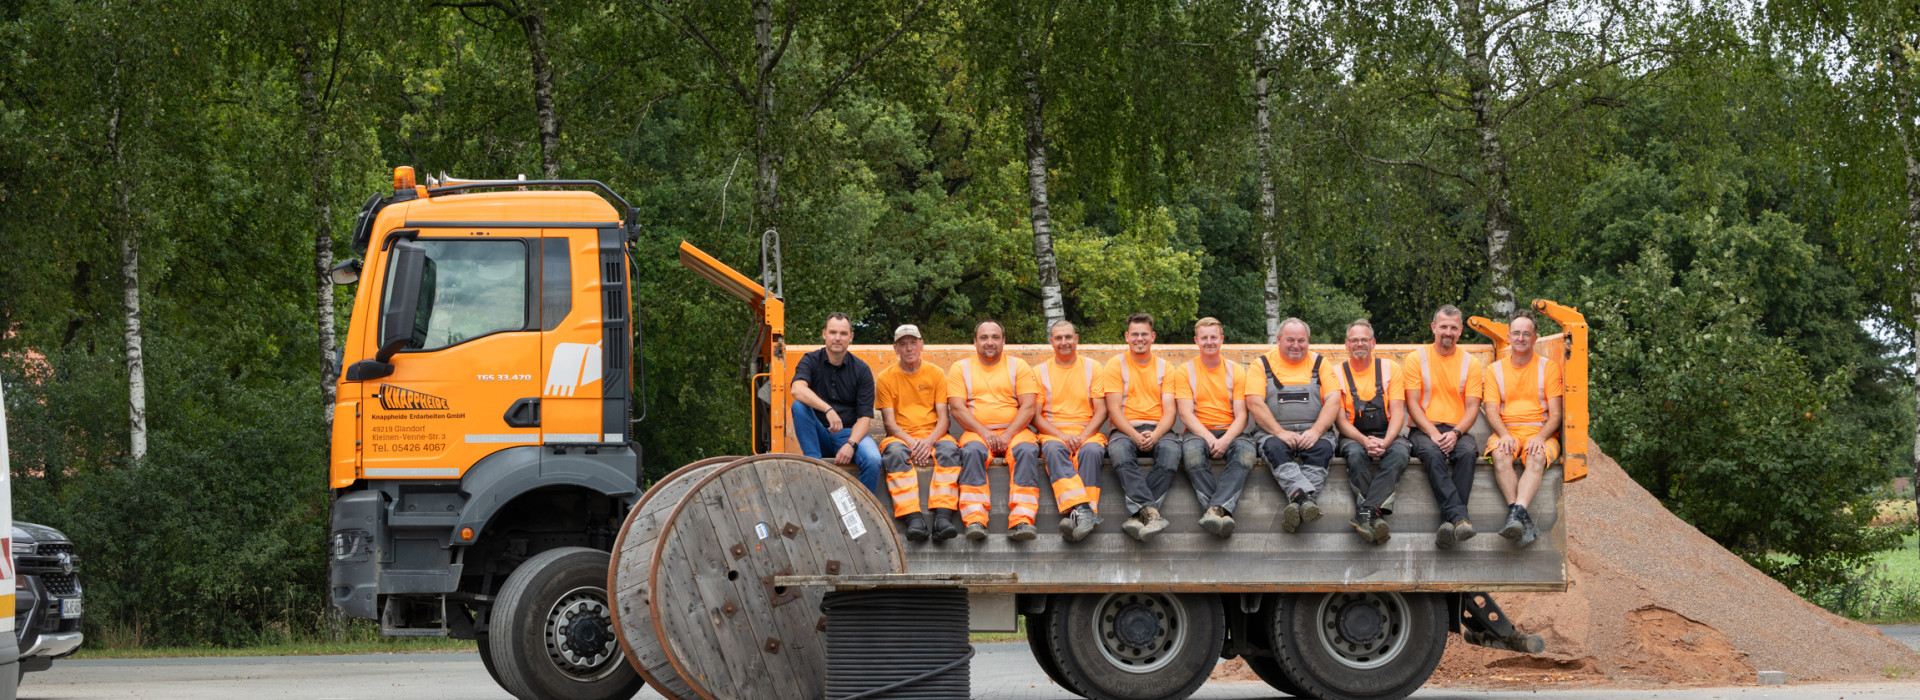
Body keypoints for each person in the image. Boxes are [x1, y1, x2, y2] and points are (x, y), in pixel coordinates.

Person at [946, 320, 1045, 541]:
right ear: (974, 342)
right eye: (984, 337)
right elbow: (957, 409)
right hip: (976, 431)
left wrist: (1008, 434)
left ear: (1003, 341)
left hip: (1016, 430)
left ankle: (1022, 520)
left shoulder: (1018, 366)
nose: (989, 342)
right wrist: (985, 433)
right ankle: (975, 520)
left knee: (1027, 450)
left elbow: (1028, 406)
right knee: (971, 452)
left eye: (995, 337)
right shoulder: (960, 368)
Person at [1167, 318, 1259, 538]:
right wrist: (1209, 439)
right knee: (1191, 454)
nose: (1209, 342)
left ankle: (1213, 510)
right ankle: (1220, 511)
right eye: (1204, 338)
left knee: (1246, 453)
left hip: (1231, 431)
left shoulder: (1236, 371)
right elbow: (1186, 414)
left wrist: (1225, 439)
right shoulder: (1184, 371)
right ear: (1196, 341)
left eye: (1213, 337)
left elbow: (1242, 415)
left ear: (1222, 339)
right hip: (1198, 431)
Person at [1404, 305, 1487, 549]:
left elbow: (1472, 407)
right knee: (1431, 453)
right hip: (1424, 428)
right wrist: (1434, 433)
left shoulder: (1470, 363)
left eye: (1453, 327)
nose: (1447, 332)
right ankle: (1460, 517)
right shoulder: (1415, 358)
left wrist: (1455, 433)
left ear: (1460, 331)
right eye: (1443, 327)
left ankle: (1448, 524)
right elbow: (1412, 404)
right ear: (1434, 328)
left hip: (1457, 429)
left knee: (1467, 453)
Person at [1247, 318, 1340, 534]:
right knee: (1274, 449)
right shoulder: (1260, 365)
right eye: (1290, 340)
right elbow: (1254, 402)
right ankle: (1306, 500)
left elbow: (1334, 400)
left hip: (1314, 431)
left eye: (1301, 340)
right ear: (1278, 340)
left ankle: (1297, 503)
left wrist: (1316, 431)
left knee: (1324, 450)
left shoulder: (1321, 364)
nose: (1296, 346)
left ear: (1308, 341)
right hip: (1274, 432)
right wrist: (1279, 432)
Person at [875, 324, 965, 542]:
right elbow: (890, 423)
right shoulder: (886, 378)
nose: (909, 348)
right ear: (895, 348)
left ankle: (943, 518)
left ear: (921, 344)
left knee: (950, 450)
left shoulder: (935, 374)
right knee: (895, 453)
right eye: (903, 344)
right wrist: (913, 442)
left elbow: (944, 419)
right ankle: (913, 519)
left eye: (913, 343)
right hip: (900, 437)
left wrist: (928, 441)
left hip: (934, 434)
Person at [1482, 312, 1564, 548]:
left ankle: (1515, 514)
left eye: (1526, 333)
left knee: (1536, 458)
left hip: (1541, 431)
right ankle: (1520, 517)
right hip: (1507, 431)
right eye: (1516, 333)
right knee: (1499, 455)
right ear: (1508, 337)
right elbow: (1491, 411)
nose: (1521, 338)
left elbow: (1556, 415)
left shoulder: (1548, 368)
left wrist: (1540, 436)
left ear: (1535, 338)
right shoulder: (1495, 370)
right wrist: (1505, 435)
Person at [1100, 313, 1183, 542]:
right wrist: (1135, 435)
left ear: (1152, 336)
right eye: (1134, 334)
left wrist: (1155, 434)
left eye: (1144, 334)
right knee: (1119, 452)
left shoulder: (1166, 367)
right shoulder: (1115, 365)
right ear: (1127, 337)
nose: (1139, 338)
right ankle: (1152, 512)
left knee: (1172, 452)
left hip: (1159, 428)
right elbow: (1114, 410)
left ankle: (1140, 515)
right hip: (1126, 429)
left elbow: (1170, 411)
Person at [1332, 319, 1409, 545]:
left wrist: (1385, 441)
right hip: (1353, 435)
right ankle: (1374, 516)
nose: (1359, 344)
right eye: (1354, 340)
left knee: (1400, 454)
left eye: (1364, 339)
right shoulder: (1336, 373)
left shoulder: (1390, 369)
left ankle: (1365, 512)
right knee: (1355, 455)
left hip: (1388, 433)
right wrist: (1364, 441)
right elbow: (1340, 422)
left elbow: (1398, 413)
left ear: (1373, 343)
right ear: (1346, 345)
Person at [790, 312, 882, 501]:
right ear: (824, 334)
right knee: (799, 406)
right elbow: (797, 389)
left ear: (851, 337)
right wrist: (828, 409)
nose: (837, 338)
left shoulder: (862, 370)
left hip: (849, 435)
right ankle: (815, 468)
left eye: (843, 333)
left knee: (873, 459)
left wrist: (851, 444)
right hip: (818, 435)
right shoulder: (810, 360)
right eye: (833, 332)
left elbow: (865, 417)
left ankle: (863, 514)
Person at [1031, 320, 1104, 542]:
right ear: (1051, 342)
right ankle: (1085, 512)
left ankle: (1078, 516)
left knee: (1091, 451)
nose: (1064, 342)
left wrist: (1083, 436)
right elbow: (1035, 416)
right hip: (1053, 433)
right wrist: (1062, 436)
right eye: (1059, 338)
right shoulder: (1039, 371)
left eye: (1068, 337)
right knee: (1053, 449)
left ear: (1077, 338)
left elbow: (1101, 410)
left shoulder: (1093, 368)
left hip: (1088, 432)